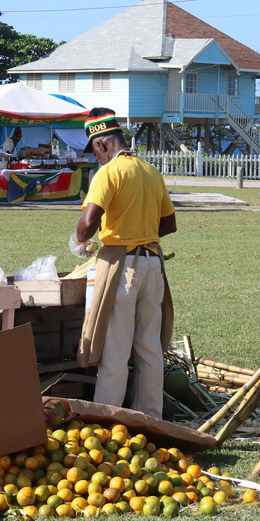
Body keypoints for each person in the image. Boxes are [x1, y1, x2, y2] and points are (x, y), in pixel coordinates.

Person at [71, 108, 176, 418]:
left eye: (95, 152)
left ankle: (107, 419)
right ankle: (151, 419)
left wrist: (80, 240)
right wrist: (140, 232)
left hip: (123, 266)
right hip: (152, 265)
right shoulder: (150, 171)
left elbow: (88, 222)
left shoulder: (108, 173)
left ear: (102, 144)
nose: (96, 158)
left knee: (115, 350)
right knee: (149, 348)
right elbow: (168, 224)